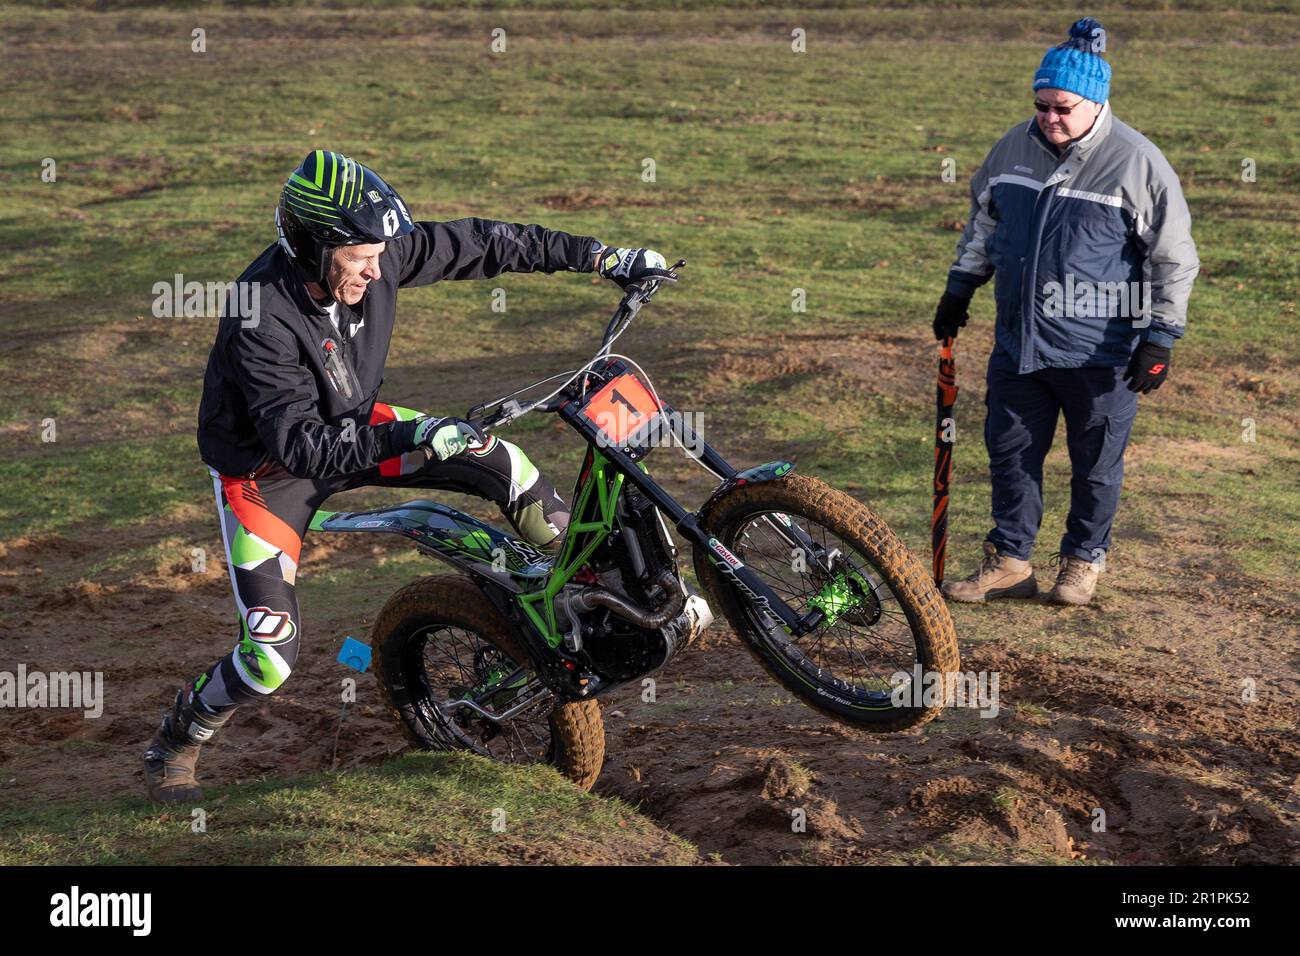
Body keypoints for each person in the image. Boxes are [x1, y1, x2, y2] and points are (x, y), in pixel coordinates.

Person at [143, 149, 673, 802]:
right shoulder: (261, 314)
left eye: (380, 252)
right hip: (269, 475)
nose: (378, 265)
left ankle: (581, 599)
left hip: (360, 428)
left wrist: (600, 256)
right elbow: (303, 447)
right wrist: (415, 432)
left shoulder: (379, 255)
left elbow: (485, 243)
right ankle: (181, 734)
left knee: (508, 465)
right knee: (269, 658)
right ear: (313, 245)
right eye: (361, 255)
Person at [933, 17, 1198, 606]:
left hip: (1100, 352)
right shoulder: (1012, 147)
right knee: (1010, 453)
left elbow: (1174, 259)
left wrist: (1162, 337)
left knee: (1096, 465)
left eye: (1063, 108)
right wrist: (960, 287)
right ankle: (1009, 562)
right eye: (1041, 105)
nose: (1049, 118)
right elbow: (985, 222)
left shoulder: (1137, 162)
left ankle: (1082, 563)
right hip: (1019, 344)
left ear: (1097, 104)